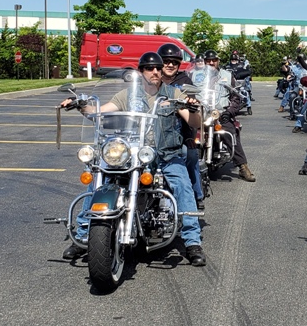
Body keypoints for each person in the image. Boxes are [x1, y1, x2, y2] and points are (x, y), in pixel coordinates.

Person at [60, 51, 208, 266]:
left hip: (164, 154)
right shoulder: (127, 96)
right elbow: (99, 113)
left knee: (182, 186)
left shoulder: (174, 93)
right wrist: (80, 105)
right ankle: (84, 235)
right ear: (141, 72)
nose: (155, 72)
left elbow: (194, 122)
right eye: (149, 68)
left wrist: (193, 108)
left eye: (158, 68)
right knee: (97, 179)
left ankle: (192, 242)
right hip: (131, 154)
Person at [157, 42, 204, 213]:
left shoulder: (184, 82)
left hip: (180, 133)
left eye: (174, 62)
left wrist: (189, 136)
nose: (170, 65)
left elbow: (191, 112)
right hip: (154, 133)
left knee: (189, 154)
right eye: (166, 61)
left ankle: (196, 194)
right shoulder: (154, 80)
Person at [203, 51, 256, 182]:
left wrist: (229, 112)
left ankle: (243, 167)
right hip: (200, 113)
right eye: (208, 60)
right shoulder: (197, 76)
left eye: (214, 60)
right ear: (204, 62)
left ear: (218, 61)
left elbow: (236, 97)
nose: (211, 63)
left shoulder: (227, 75)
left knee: (230, 133)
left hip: (220, 114)